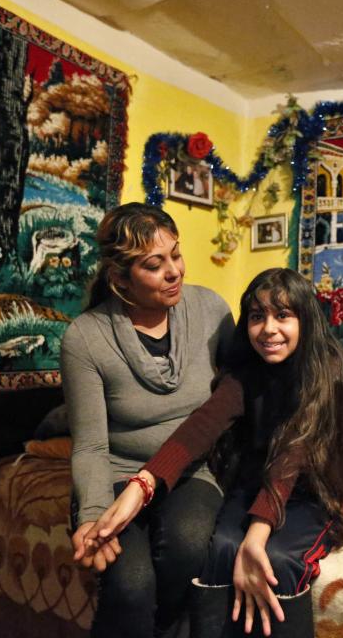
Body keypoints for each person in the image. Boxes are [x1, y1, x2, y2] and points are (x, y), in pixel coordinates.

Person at [79, 268, 343, 638]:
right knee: (221, 548)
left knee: (277, 561)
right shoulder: (244, 373)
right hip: (258, 482)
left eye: (283, 315)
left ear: (306, 320)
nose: (269, 329)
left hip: (315, 487)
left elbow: (293, 453)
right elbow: (199, 428)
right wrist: (142, 485)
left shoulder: (330, 372)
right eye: (258, 317)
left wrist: (257, 535)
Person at [63, 202, 235, 637]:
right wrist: (92, 515)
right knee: (130, 584)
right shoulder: (85, 338)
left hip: (191, 468)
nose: (174, 271)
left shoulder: (211, 310)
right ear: (120, 279)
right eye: (154, 265)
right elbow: (89, 445)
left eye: (176, 255)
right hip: (120, 471)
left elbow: (234, 399)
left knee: (190, 545)